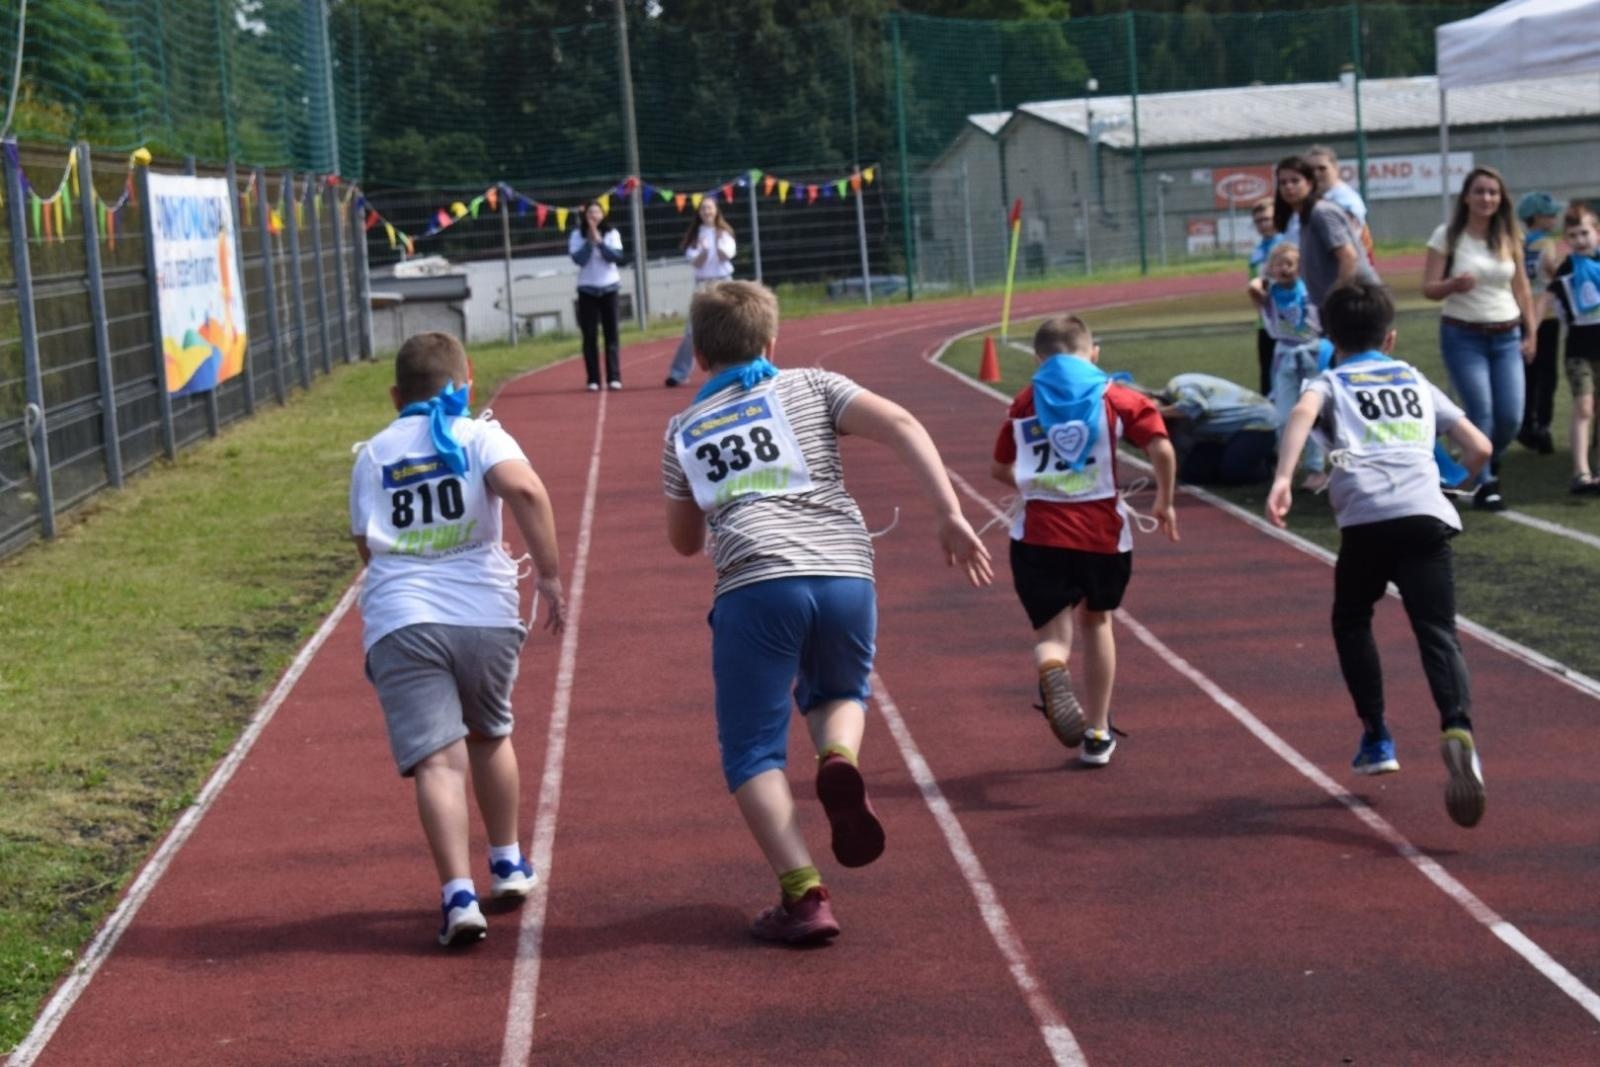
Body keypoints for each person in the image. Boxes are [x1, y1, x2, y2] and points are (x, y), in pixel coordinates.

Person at [660, 280, 992, 945]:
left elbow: (684, 540)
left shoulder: (684, 429)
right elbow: (900, 423)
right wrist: (949, 514)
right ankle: (837, 752)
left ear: (698, 354)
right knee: (840, 690)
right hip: (845, 570)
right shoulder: (814, 384)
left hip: (756, 583)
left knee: (752, 748)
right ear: (772, 341)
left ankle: (803, 894)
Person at [350, 332, 568, 946]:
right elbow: (526, 488)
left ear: (396, 395)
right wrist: (548, 577)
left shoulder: (372, 454)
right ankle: (507, 862)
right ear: (467, 379)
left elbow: (365, 545)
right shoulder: (480, 435)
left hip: (403, 620)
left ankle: (458, 896)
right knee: (490, 733)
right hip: (485, 615)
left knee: (437, 763)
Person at [1268, 282, 1491, 828]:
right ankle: (1457, 725)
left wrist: (1283, 478)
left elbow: (1301, 412)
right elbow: (1480, 446)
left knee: (1352, 619)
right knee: (1437, 630)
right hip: (1424, 514)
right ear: (1389, 337)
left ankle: (1377, 736)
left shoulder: (1329, 380)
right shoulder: (1412, 376)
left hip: (1366, 520)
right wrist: (1459, 483)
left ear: (1329, 338)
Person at [989, 316, 1177, 767]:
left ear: (1038, 359)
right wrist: (1165, 501)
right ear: (1094, 353)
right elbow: (1161, 447)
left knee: (1053, 635)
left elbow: (999, 469)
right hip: (1102, 536)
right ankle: (1096, 733)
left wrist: (1040, 482)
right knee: (1097, 623)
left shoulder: (1024, 401)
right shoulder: (1114, 395)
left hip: (1037, 537)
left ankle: (1051, 664)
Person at [1422, 165, 1538, 511]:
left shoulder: (1509, 234)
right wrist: (1452, 285)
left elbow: (1522, 288)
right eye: (1479, 191)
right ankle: (1486, 483)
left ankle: (1486, 457)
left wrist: (1531, 332)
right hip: (1463, 334)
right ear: (1467, 197)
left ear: (1501, 198)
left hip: (1506, 334)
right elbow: (1428, 288)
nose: (1486, 198)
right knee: (1481, 412)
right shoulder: (1448, 235)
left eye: (1492, 192)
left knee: (1511, 417)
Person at [1248, 241, 1333, 487]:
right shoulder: (1268, 294)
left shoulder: (1309, 290)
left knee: (1314, 412)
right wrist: (1264, 276)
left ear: (1300, 267)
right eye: (1279, 264)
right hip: (1285, 357)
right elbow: (1252, 287)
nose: (1285, 269)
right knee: (1284, 414)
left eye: (1290, 264)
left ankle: (1316, 468)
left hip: (1314, 354)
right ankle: (1288, 461)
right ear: (1270, 268)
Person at [1536, 202, 1600, 493]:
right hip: (1579, 348)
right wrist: (1531, 332)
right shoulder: (1568, 268)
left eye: (1585, 233)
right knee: (1584, 406)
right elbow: (1546, 299)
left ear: (1597, 232)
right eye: (1573, 235)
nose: (1580, 240)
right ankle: (1580, 472)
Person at [1273, 155, 1379, 311]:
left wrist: (1336, 298)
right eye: (1283, 183)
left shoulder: (1321, 212)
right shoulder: (1303, 217)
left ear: (1309, 183)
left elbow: (1349, 258)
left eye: (1295, 181)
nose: (1288, 187)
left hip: (1359, 302)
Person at [1152, 372, 1279, 486]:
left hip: (1258, 422)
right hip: (1230, 432)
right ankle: (1239, 457)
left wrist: (1158, 412)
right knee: (1191, 473)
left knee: (1235, 473)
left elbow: (1195, 406)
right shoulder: (1177, 422)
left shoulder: (1177, 386)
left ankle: (1269, 465)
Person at [664, 196, 737, 387]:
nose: (707, 212)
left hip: (723, 282)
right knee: (692, 331)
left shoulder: (725, 233)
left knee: (728, 327)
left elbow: (725, 257)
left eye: (710, 208)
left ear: (716, 211)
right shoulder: (694, 236)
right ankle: (678, 373)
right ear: (699, 212)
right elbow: (696, 262)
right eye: (703, 209)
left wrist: (719, 244)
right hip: (703, 283)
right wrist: (703, 250)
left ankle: (731, 370)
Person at [1516, 191, 1564, 455]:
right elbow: (1551, 271)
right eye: (1550, 214)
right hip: (1545, 317)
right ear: (1536, 217)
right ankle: (1542, 425)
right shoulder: (1546, 243)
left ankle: (1526, 423)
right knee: (1548, 375)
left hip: (1522, 315)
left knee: (1527, 374)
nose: (1554, 218)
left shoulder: (1519, 243)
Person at [568, 201, 626, 392]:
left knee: (612, 334)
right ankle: (592, 378)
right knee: (589, 335)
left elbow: (616, 257)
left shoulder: (612, 234)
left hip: (609, 288)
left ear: (603, 214)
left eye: (597, 212)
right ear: (585, 216)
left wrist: (600, 242)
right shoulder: (577, 235)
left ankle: (614, 377)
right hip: (587, 289)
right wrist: (590, 242)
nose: (593, 216)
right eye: (590, 213)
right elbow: (579, 260)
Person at [1306, 145, 1375, 264]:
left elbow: (1349, 237)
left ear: (1335, 168)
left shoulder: (1345, 199)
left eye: (1322, 168)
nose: (1316, 173)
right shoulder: (1315, 197)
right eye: (1311, 169)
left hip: (1350, 265)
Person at [1247, 198, 1288, 396]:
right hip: (1266, 323)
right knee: (1267, 374)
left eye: (1268, 219)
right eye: (1259, 221)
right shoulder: (1256, 253)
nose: (1264, 224)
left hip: (1289, 322)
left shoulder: (1287, 245)